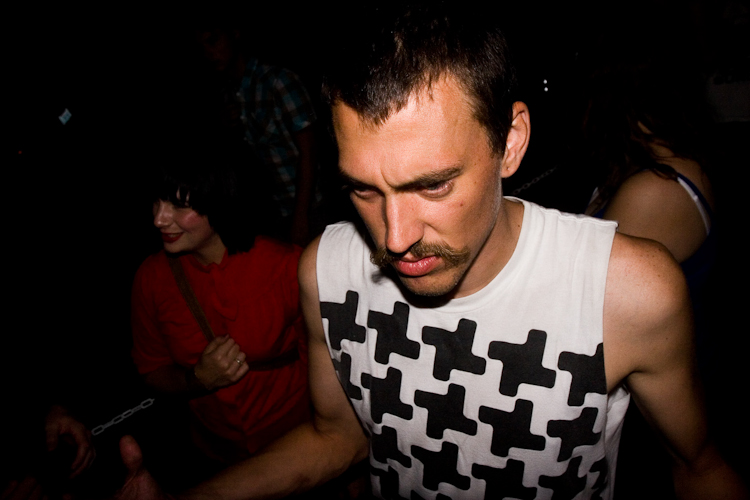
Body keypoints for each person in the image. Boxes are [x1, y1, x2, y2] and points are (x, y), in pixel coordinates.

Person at [117, 4, 747, 499]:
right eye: (363, 189)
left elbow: (700, 467)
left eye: (433, 185)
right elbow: (337, 439)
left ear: (511, 142)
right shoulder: (326, 271)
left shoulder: (622, 290)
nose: (394, 238)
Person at [130, 139, 310, 472]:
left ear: (220, 200)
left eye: (178, 205)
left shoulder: (287, 266)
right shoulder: (151, 279)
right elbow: (152, 369)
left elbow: (326, 366)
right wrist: (196, 379)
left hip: (295, 444)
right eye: (157, 201)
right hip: (214, 453)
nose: (158, 219)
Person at [196, 27, 319, 246]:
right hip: (271, 213)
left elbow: (309, 150)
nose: (208, 53)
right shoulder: (226, 93)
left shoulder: (278, 81)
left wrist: (301, 217)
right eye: (201, 47)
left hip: (312, 207)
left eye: (213, 41)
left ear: (235, 33)